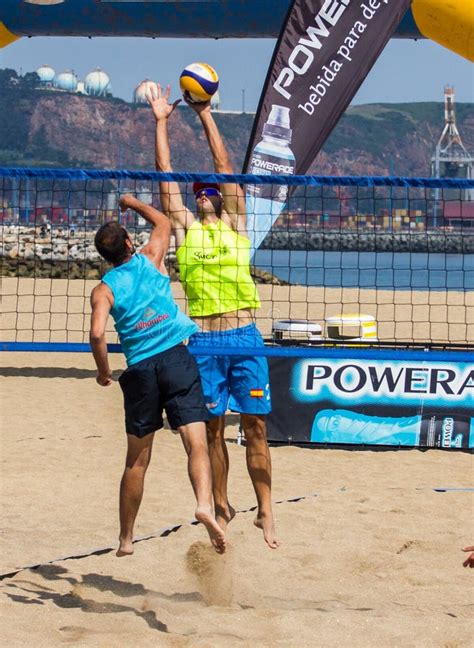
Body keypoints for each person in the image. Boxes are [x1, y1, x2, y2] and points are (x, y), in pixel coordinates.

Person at [148, 83, 279, 549]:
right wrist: (162, 121)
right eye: (198, 191)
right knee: (211, 430)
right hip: (203, 341)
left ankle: (265, 508)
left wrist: (204, 114)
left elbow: (225, 168)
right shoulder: (186, 231)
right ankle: (221, 502)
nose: (203, 194)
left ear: (221, 202)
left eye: (209, 192)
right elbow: (165, 177)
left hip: (243, 335)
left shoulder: (235, 226)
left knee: (256, 426)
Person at [89, 193, 226, 556]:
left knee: (137, 459)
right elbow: (164, 222)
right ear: (130, 243)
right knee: (195, 442)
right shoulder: (151, 259)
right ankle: (203, 505)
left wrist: (104, 372)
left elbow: (98, 334)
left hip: (140, 370)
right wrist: (132, 202)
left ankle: (126, 538)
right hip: (176, 358)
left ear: (104, 257)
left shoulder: (103, 289)